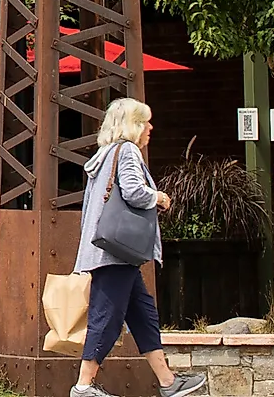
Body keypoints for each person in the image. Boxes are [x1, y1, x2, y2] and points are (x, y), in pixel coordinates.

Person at [73, 99, 204, 397]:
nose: (150, 128)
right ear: (133, 124)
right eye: (146, 122)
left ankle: (168, 382)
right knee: (105, 317)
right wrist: (157, 197)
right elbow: (133, 191)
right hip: (115, 255)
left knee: (144, 315)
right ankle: (83, 387)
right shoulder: (128, 151)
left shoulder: (105, 154)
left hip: (113, 253)